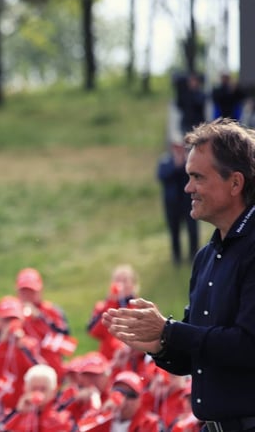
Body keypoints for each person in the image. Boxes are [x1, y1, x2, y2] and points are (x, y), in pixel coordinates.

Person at [103, 118, 255, 430]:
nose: (187, 188)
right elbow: (193, 357)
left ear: (235, 183)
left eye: (197, 177)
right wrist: (159, 343)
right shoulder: (206, 257)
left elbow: (247, 346)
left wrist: (170, 331)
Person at [14, 267, 73, 378]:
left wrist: (40, 319)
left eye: (31, 291)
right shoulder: (11, 313)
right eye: (24, 291)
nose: (27, 295)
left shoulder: (52, 311)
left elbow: (66, 343)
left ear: (40, 291)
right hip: (21, 373)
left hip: (52, 370)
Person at [0, 364, 75, 432]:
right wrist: (18, 412)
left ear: (53, 391)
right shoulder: (13, 415)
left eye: (43, 389)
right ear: (25, 389)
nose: (38, 393)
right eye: (34, 388)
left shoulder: (63, 419)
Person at [157, 141, 199, 265]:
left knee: (192, 230)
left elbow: (194, 175)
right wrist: (176, 165)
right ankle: (177, 258)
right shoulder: (165, 161)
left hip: (188, 202)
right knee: (174, 231)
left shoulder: (190, 162)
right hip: (172, 203)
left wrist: (184, 163)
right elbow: (161, 176)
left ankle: (194, 256)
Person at [87, 264, 141, 360]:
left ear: (133, 284)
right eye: (117, 280)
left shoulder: (140, 307)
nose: (121, 285)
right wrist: (111, 303)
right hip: (108, 359)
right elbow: (94, 332)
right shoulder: (102, 306)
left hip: (132, 360)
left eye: (125, 280)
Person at [77, 371, 159, 432]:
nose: (124, 399)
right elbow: (82, 428)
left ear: (139, 400)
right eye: (119, 392)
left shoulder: (149, 423)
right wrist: (103, 414)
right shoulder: (101, 418)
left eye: (130, 395)